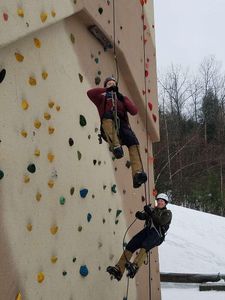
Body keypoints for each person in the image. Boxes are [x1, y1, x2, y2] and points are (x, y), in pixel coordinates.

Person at [87, 76, 147, 188]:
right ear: (105, 86)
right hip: (109, 127)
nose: (111, 85)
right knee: (108, 115)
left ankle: (137, 174)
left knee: (133, 142)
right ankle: (116, 146)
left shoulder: (121, 99)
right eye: (109, 83)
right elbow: (90, 93)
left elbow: (134, 111)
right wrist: (106, 91)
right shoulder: (102, 98)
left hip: (122, 126)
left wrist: (123, 98)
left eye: (113, 83)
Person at [106, 193, 172, 280]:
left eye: (162, 201)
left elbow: (161, 221)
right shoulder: (153, 210)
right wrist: (140, 215)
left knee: (146, 245)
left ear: (165, 203)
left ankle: (135, 266)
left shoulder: (167, 213)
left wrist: (150, 212)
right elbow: (146, 216)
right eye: (159, 200)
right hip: (148, 231)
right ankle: (119, 269)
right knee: (132, 244)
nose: (160, 202)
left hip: (157, 235)